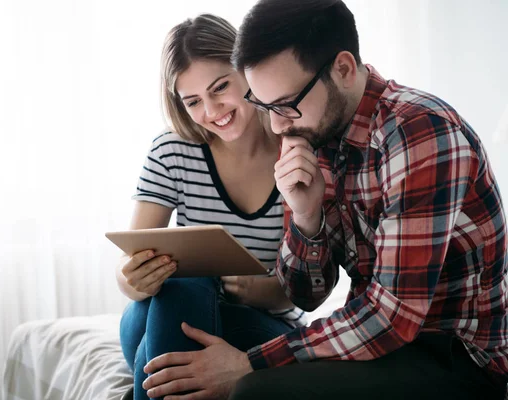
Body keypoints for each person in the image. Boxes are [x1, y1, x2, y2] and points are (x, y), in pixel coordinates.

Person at [141, 1, 508, 399]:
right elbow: (306, 296)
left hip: (452, 357)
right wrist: (305, 216)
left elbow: (392, 317)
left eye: (285, 104)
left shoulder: (418, 131)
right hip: (380, 349)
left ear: (344, 69)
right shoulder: (315, 136)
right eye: (266, 107)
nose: (277, 125)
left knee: (252, 389)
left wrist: (249, 363)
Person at [115, 13, 308, 400]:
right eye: (193, 101)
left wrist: (253, 290)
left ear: (246, 71)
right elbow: (127, 272)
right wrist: (134, 281)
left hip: (262, 320)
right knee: (180, 282)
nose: (212, 110)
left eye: (220, 87)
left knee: (156, 345)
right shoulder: (171, 151)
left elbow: (304, 289)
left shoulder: (296, 151)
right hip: (161, 308)